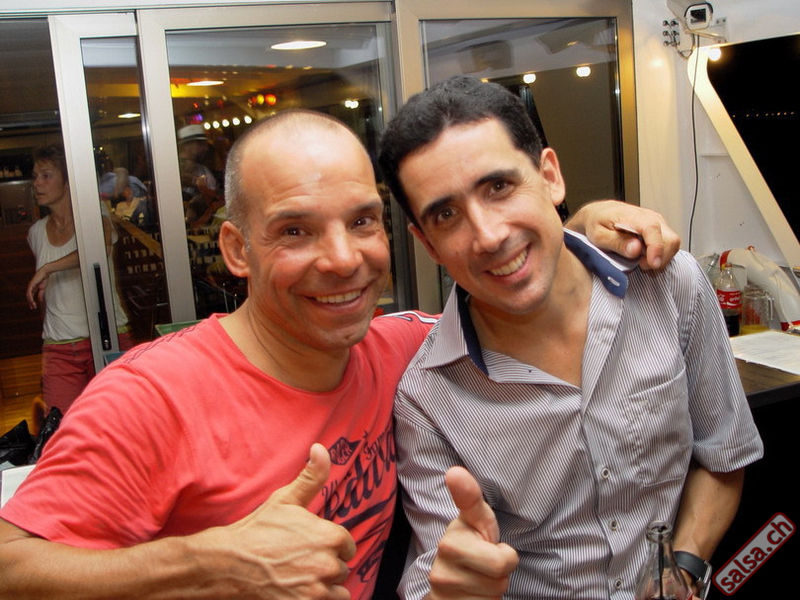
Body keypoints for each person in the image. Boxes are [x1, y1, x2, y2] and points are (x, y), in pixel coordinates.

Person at [0, 110, 678, 600]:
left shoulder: (404, 348)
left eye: (361, 221)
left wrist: (572, 228)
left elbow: (506, 287)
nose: (343, 260)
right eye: (295, 231)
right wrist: (208, 564)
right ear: (237, 250)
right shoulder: (154, 394)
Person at [377, 76, 764, 600]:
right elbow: (439, 571)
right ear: (427, 243)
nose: (489, 235)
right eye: (446, 215)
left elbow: (724, 455)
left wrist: (683, 568)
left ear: (550, 177)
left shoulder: (670, 285)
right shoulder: (426, 398)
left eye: (499, 187)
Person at [25, 144, 134, 414]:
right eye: (35, 176)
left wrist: (48, 268)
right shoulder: (36, 232)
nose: (37, 183)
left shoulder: (96, 216)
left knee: (121, 421)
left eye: (46, 175)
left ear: (67, 181)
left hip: (108, 338)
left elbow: (97, 248)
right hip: (60, 348)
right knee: (60, 427)